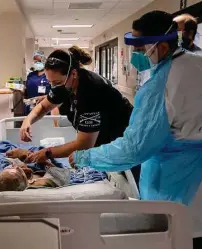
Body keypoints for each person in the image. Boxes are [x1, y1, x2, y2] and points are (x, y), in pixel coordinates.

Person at [69, 11, 202, 206]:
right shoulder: (195, 63)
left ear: (162, 46)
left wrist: (86, 156)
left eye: (140, 49)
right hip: (192, 176)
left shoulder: (161, 86)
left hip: (175, 184)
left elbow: (135, 149)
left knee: (175, 232)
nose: (136, 55)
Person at [19, 45, 133, 163]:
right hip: (103, 141)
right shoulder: (64, 85)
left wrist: (47, 153)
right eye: (50, 82)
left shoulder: (91, 90)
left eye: (56, 82)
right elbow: (43, 106)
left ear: (73, 73)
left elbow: (84, 144)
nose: (53, 87)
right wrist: (27, 121)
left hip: (123, 139)